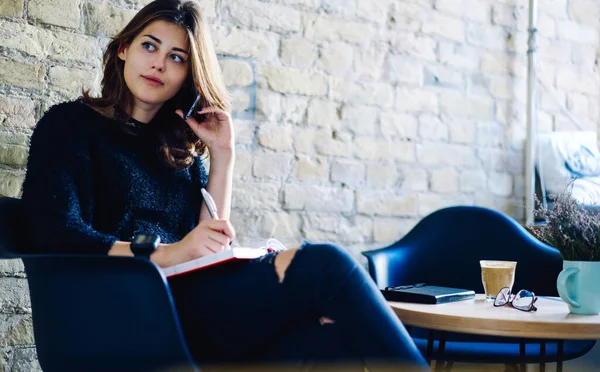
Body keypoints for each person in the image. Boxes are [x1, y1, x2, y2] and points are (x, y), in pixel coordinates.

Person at [20, 0, 428, 370]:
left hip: (184, 309)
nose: (158, 63)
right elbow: (54, 233)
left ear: (187, 75)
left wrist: (224, 155)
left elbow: (209, 245)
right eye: (149, 46)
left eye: (176, 57)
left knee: (330, 340)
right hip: (113, 314)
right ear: (124, 48)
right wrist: (167, 253)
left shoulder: (177, 150)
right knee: (325, 265)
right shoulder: (69, 126)